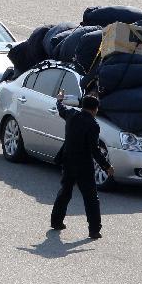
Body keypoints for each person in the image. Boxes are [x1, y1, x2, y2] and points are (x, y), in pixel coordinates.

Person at [50, 90, 114, 239]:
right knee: (91, 198)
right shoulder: (93, 125)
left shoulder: (72, 114)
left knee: (65, 192)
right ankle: (94, 230)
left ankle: (56, 221)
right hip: (83, 166)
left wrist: (59, 99)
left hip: (68, 161)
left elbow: (61, 108)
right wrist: (106, 167)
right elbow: (95, 150)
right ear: (95, 109)